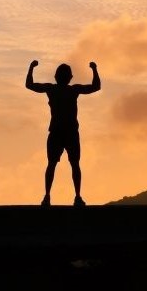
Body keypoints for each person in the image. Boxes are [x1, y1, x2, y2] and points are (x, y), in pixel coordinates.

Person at [26, 59, 101, 207]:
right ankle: (70, 196)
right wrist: (94, 69)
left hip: (61, 132)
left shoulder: (55, 89)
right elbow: (95, 86)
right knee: (69, 164)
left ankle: (52, 196)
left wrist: (31, 68)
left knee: (57, 164)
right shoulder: (71, 90)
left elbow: (30, 85)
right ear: (70, 78)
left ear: (56, 77)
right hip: (66, 132)